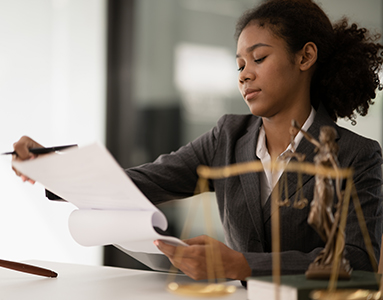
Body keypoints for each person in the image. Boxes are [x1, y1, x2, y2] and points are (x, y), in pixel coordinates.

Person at [11, 0, 383, 282]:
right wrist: (49, 166)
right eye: (239, 65)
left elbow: (357, 259)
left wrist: (242, 264)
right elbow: (141, 182)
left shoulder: (357, 156)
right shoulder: (228, 137)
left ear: (305, 57)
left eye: (258, 58)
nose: (244, 75)